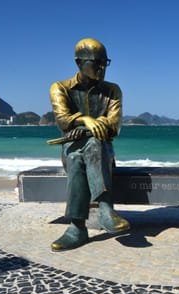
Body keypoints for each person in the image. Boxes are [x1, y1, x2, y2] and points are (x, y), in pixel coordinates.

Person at [48, 38, 130, 252]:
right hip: (71, 148)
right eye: (96, 63)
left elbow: (114, 127)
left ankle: (77, 228)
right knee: (77, 154)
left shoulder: (113, 91)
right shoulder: (60, 88)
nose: (102, 68)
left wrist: (85, 128)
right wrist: (88, 121)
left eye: (105, 62)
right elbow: (62, 121)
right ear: (78, 62)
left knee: (90, 147)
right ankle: (105, 210)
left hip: (103, 152)